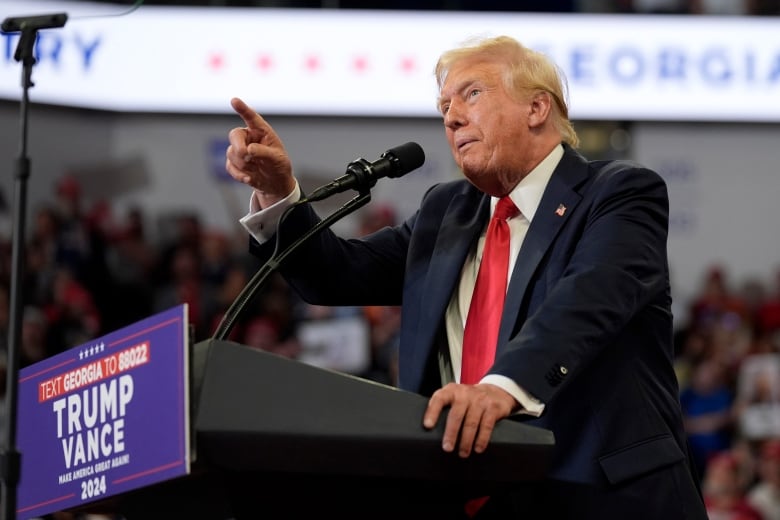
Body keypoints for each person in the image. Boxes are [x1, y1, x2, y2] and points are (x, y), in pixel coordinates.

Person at [225, 35, 707, 519]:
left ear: (537, 107)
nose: (451, 117)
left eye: (472, 94)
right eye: (444, 106)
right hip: (471, 498)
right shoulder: (445, 212)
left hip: (601, 498)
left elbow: (589, 298)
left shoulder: (619, 193)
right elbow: (336, 275)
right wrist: (278, 193)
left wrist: (501, 387)